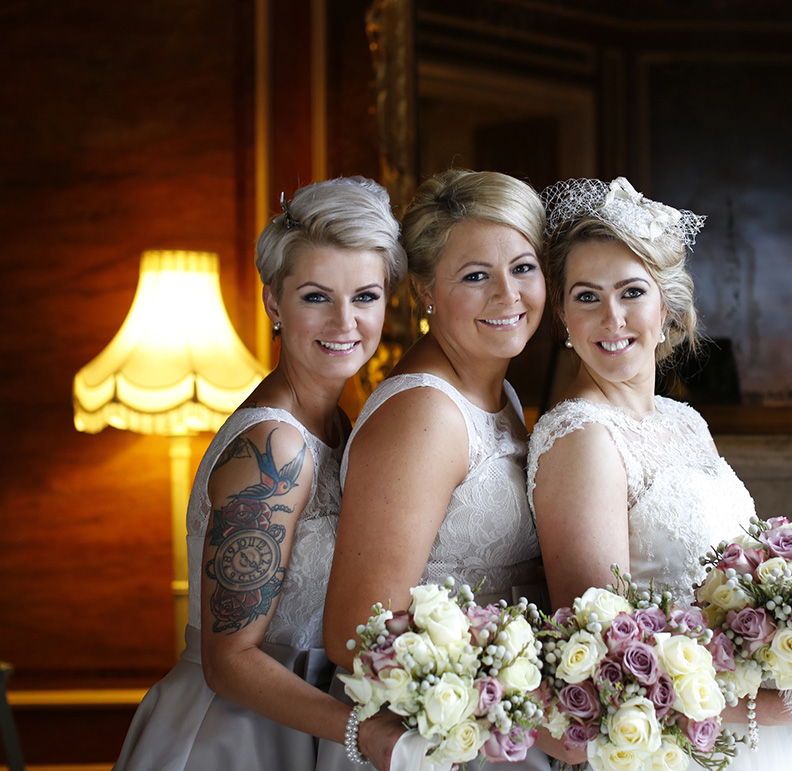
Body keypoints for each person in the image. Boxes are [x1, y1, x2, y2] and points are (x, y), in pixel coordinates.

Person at [526, 177, 792, 771]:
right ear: (562, 314)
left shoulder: (683, 420)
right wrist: (780, 706)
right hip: (678, 747)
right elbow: (609, 669)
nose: (611, 318)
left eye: (632, 291)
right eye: (586, 296)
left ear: (667, 305)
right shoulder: (582, 439)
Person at [113, 177, 408, 771]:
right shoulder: (274, 444)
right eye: (316, 297)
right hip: (236, 734)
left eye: (365, 296)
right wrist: (369, 735)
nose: (345, 321)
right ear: (274, 303)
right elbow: (228, 661)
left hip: (305, 720)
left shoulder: (340, 425)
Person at [319, 169, 554, 770]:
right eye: (476, 276)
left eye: (523, 267)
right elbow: (356, 631)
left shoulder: (498, 393)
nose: (508, 295)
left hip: (497, 724)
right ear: (424, 289)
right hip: (432, 736)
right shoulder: (424, 413)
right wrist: (498, 692)